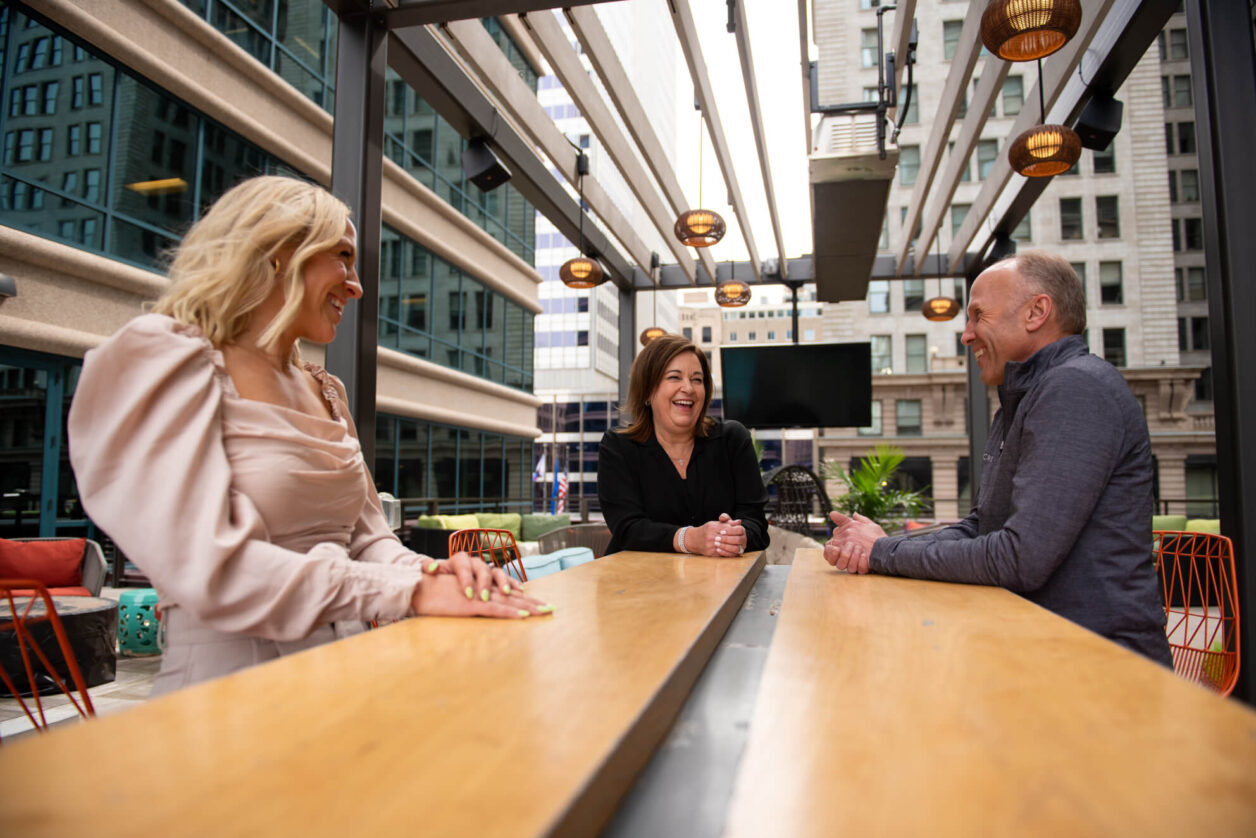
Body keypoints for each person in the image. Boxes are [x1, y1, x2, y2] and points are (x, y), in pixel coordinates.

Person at [68, 176, 548, 695]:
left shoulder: (326, 389)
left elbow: (369, 539)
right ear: (276, 251)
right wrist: (410, 590)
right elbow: (215, 571)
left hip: (344, 676)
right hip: (224, 699)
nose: (357, 285)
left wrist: (438, 574)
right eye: (343, 256)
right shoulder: (164, 358)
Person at [825, 251, 1171, 665]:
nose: (966, 334)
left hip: (1098, 665)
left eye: (977, 316)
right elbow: (981, 527)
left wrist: (881, 552)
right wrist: (885, 544)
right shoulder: (1024, 399)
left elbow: (1019, 557)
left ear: (1036, 312)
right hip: (1044, 646)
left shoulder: (1074, 390)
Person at [598, 333, 769, 557]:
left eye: (697, 380)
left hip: (719, 583)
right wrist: (688, 539)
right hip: (637, 583)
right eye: (674, 377)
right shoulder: (618, 446)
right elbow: (627, 529)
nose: (688, 388)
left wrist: (738, 535)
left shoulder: (733, 440)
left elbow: (756, 524)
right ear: (648, 390)